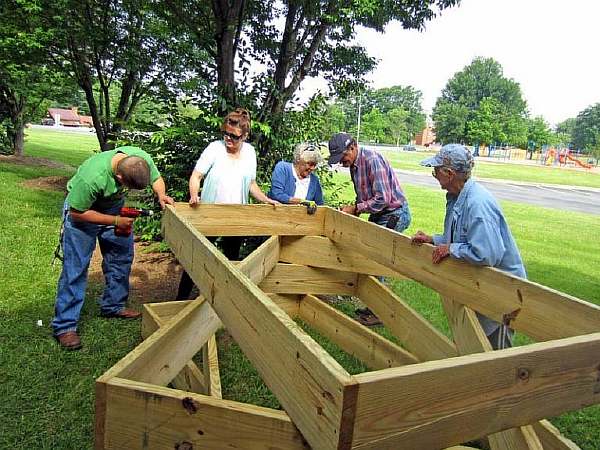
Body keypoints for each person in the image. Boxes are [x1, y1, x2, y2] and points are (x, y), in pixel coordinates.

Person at [53, 146, 174, 350]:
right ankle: (65, 326)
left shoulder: (139, 159)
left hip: (112, 210)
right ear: (118, 176)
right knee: (76, 268)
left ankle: (113, 306)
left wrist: (161, 194)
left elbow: (156, 178)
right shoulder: (92, 178)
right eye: (125, 185)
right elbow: (77, 213)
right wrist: (116, 220)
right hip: (84, 213)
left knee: (121, 258)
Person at [411, 143, 526, 350]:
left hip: (500, 294)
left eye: (436, 171)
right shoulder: (458, 198)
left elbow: (486, 254)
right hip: (479, 288)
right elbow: (461, 238)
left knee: (494, 358)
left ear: (450, 173)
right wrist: (434, 240)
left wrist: (451, 249)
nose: (434, 175)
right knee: (473, 347)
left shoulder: (477, 204)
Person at [176, 108, 278, 300]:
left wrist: (265, 199)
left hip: (236, 216)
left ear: (245, 136)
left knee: (231, 261)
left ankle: (226, 303)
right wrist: (193, 195)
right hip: (209, 213)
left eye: (234, 136)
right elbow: (196, 176)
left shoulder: (250, 153)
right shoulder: (214, 148)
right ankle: (179, 301)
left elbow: (251, 184)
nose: (228, 139)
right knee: (195, 259)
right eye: (226, 134)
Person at [328, 132, 411, 326]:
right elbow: (364, 195)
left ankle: (379, 313)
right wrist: (355, 210)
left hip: (394, 213)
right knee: (368, 255)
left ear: (353, 147)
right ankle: (373, 306)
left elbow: (383, 199)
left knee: (377, 261)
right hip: (380, 214)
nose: (341, 162)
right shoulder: (354, 166)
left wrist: (356, 208)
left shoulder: (372, 160)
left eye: (343, 157)